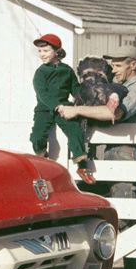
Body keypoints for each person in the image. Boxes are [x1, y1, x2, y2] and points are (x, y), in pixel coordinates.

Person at [58, 44, 136, 198]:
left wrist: (76, 110)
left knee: (124, 201)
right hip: (114, 148)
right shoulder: (119, 87)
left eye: (118, 66)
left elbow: (113, 113)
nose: (114, 70)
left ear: (133, 65)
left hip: (128, 151)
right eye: (112, 65)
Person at [28, 34, 95, 184]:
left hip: (65, 107)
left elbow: (75, 89)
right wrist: (56, 106)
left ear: (56, 52)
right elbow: (42, 93)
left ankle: (82, 167)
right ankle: (42, 159)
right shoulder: (41, 72)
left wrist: (84, 97)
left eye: (45, 51)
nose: (42, 55)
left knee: (75, 131)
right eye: (40, 51)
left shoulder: (67, 70)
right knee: (37, 135)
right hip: (45, 109)